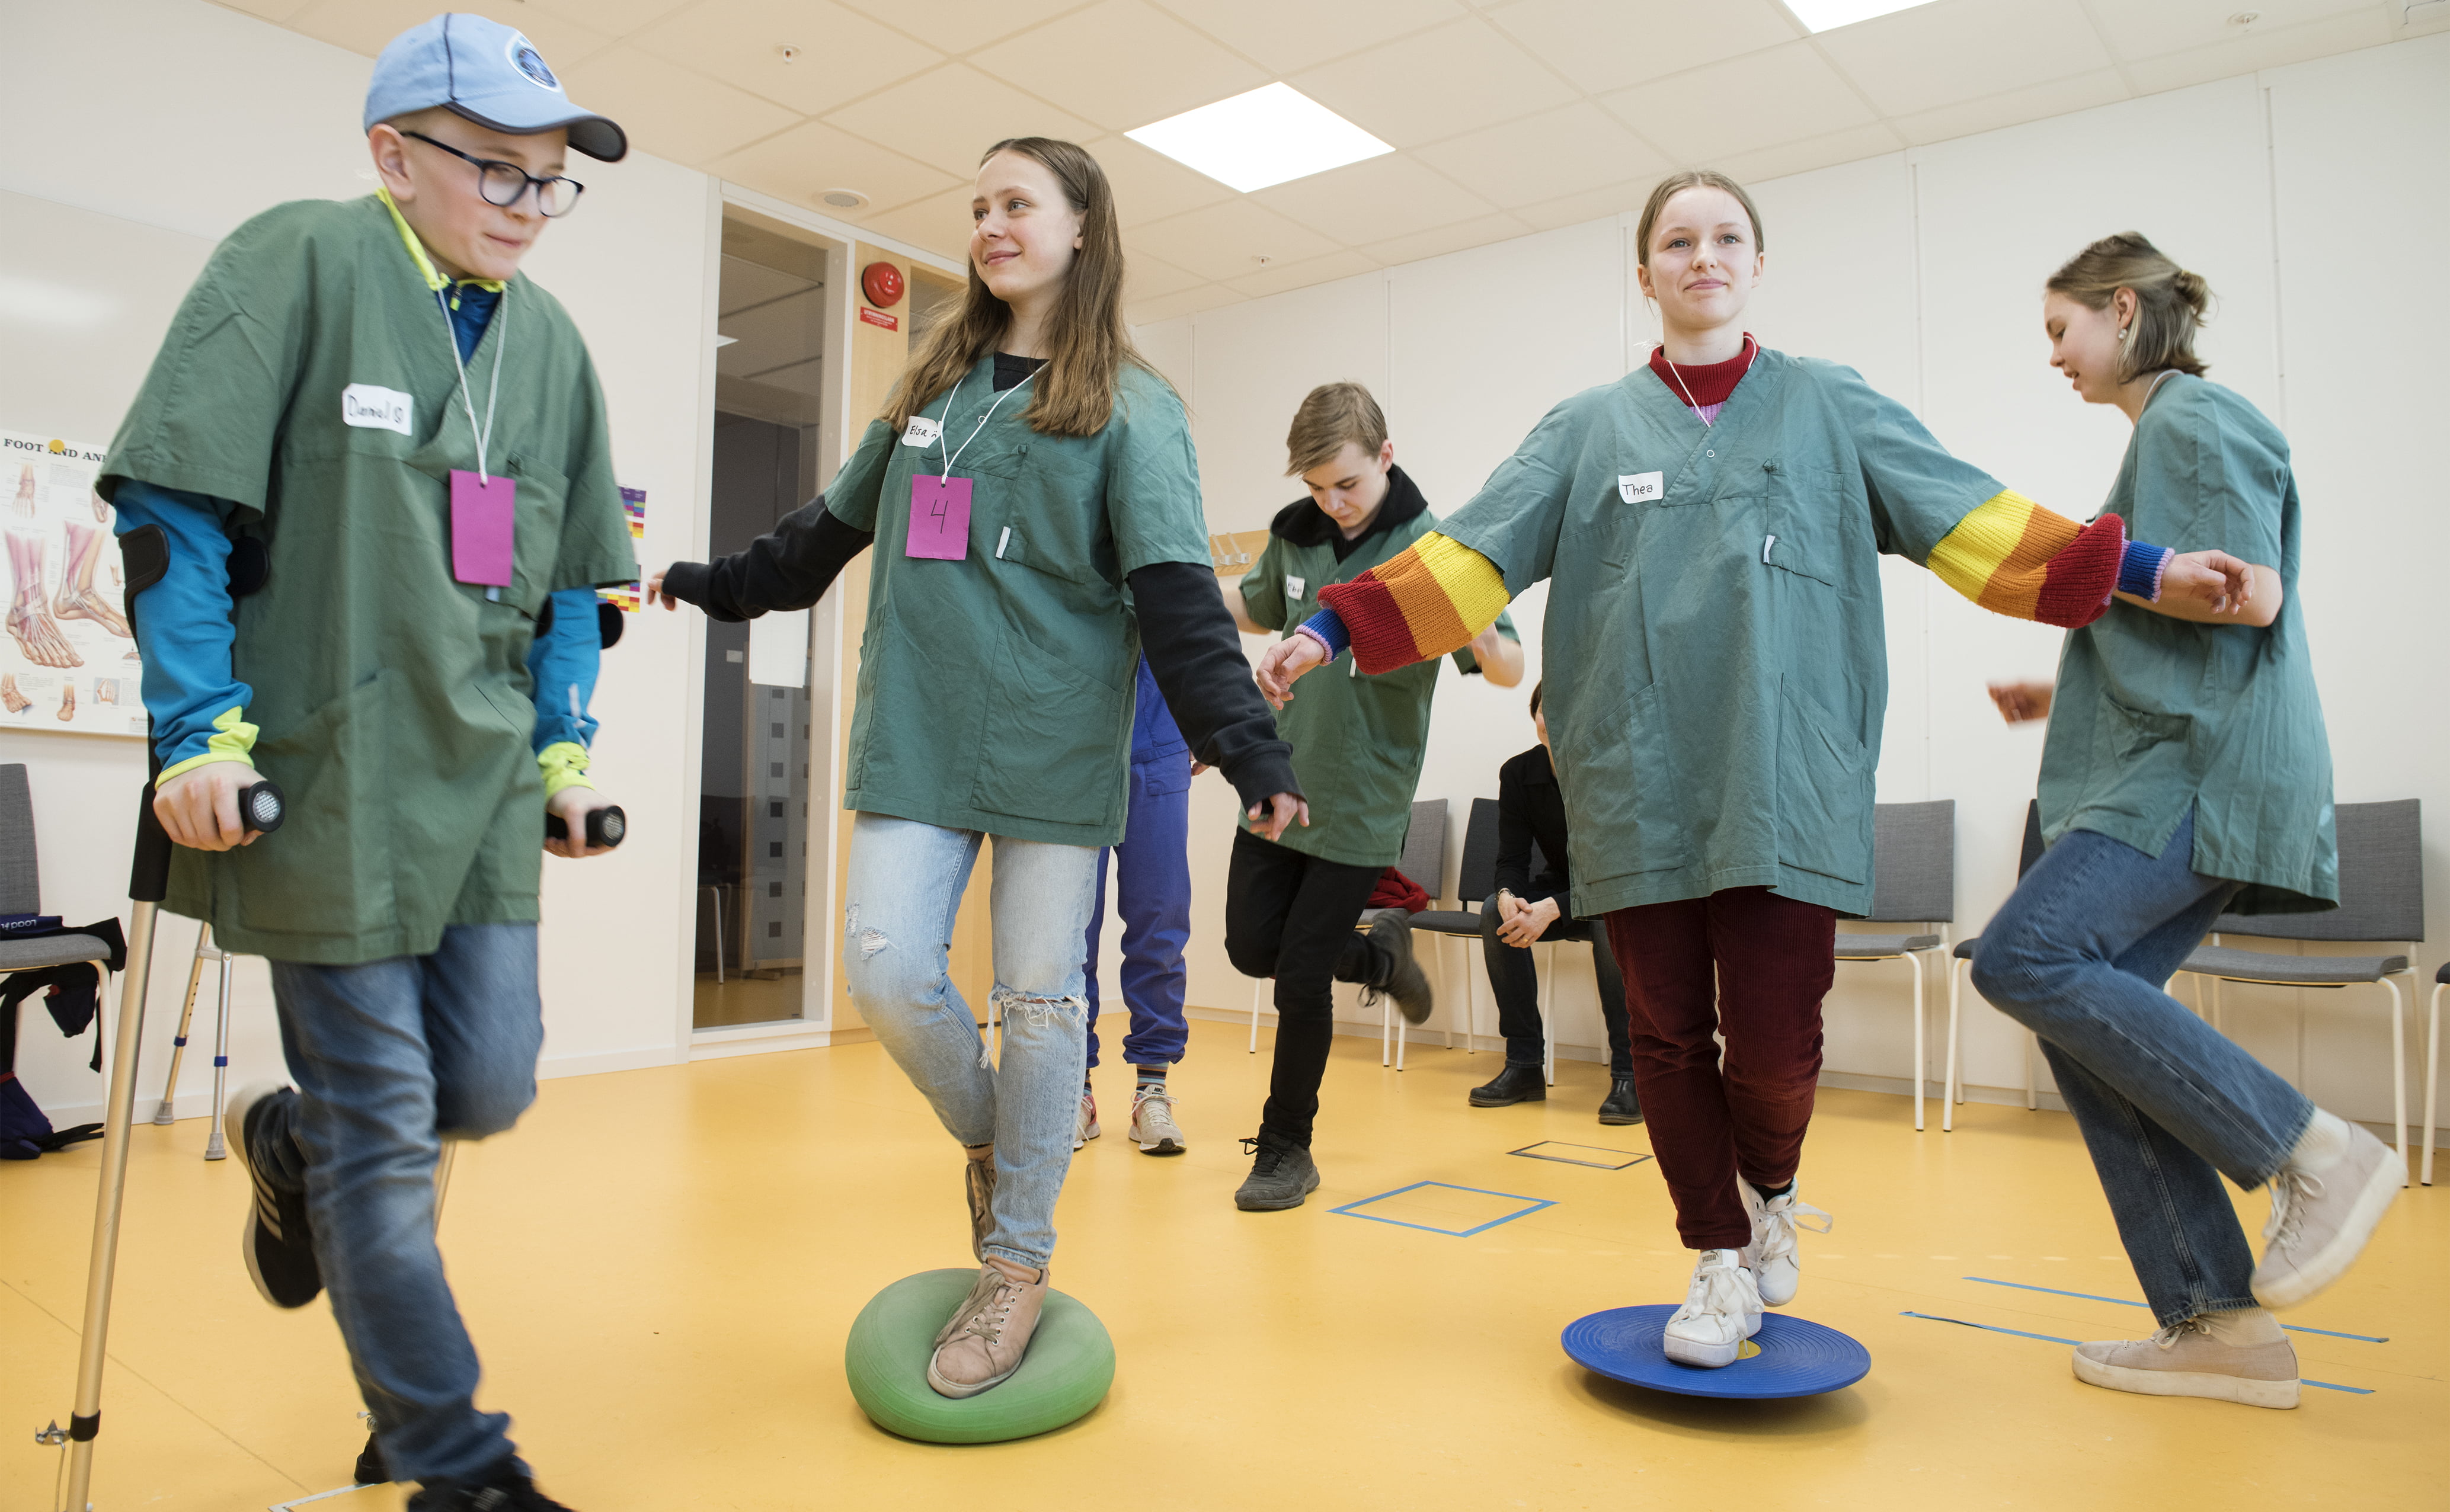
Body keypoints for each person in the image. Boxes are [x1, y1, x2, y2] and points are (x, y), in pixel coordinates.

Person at [1254, 171, 2262, 1369]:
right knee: (1671, 1038)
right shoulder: (1585, 429)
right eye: (1678, 240)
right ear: (1647, 274)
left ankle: (1772, 1186)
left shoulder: (1831, 407)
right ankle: (1719, 1257)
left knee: (1778, 1045)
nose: (1703, 255)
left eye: (1727, 236)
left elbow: (1975, 522)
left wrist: (2144, 570)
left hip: (1789, 779)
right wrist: (1323, 628)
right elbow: (1470, 553)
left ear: (1756, 263)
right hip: (1635, 787)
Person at [647, 138, 1300, 1398]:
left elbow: (1175, 597)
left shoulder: (1136, 408)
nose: (994, 225)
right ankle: (1003, 1140)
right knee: (889, 969)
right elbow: (816, 543)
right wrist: (704, 581)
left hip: (1056, 744)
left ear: (1082, 230)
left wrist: (1247, 744)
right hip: (922, 735)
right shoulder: (930, 391)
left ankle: (1016, 1260)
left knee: (1046, 1005)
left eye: (1020, 205)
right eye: (981, 207)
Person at [98, 17, 635, 1508]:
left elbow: (578, 590)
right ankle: (458, 1462)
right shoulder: (299, 263)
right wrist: (197, 733)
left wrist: (564, 752)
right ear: (393, 156)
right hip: (321, 780)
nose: (529, 205)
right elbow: (174, 514)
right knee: (391, 1146)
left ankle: (288, 1133)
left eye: (550, 183)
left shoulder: (557, 353)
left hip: (475, 799)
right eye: (497, 172)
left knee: (489, 1083)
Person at [1971, 235, 2394, 1411]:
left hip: (2197, 768)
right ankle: (2220, 1326)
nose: (2054, 355)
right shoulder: (2162, 441)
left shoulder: (2189, 422)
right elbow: (2181, 609)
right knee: (2085, 1022)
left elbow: (2242, 590)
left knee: (2027, 955)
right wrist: (2060, 689)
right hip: (2175, 756)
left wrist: (2155, 585)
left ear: (2121, 309)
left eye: (2061, 330)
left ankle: (2316, 1149)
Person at [1221, 382, 1523, 1212]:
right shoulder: (1297, 533)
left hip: (1361, 797)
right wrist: (1153, 590)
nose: (1333, 503)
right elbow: (1249, 608)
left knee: (1299, 979)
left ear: (1385, 457)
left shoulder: (1433, 551)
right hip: (1275, 779)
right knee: (1252, 949)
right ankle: (1380, 955)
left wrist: (1482, 632)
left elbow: (1507, 673)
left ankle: (1286, 1149)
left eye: (1346, 484)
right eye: (1316, 488)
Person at [1469, 681, 1640, 1125]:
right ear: (1535, 716)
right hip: (1562, 888)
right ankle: (1524, 1065)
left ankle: (1630, 1073)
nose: (1555, 718)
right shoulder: (1518, 774)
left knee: (1609, 921)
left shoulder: (1613, 767)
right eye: (1547, 708)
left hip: (1618, 891)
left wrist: (1556, 908)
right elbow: (1510, 859)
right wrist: (1509, 897)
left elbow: (1618, 865)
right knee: (1491, 913)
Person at [1076, 654, 1193, 1156]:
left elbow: (1194, 634)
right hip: (1076, 743)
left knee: (1161, 919)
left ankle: (1153, 1089)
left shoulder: (1179, 568)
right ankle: (1074, 1089)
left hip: (1161, 740)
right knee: (1071, 931)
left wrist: (1209, 720)